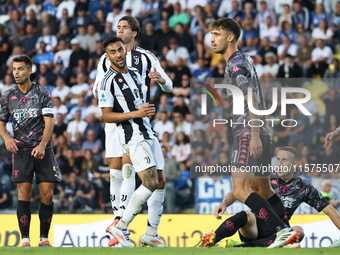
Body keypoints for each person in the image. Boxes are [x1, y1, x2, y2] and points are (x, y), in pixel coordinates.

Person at [208, 18, 297, 248]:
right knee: (263, 189)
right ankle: (287, 231)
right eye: (211, 34)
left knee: (240, 190)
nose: (211, 38)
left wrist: (254, 134)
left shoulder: (236, 64)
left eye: (216, 34)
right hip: (259, 130)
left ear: (230, 37)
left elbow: (253, 99)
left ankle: (280, 232)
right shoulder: (243, 58)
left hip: (249, 131)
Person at [93, 16, 172, 247]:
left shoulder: (138, 73)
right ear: (107, 56)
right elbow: (106, 115)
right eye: (113, 52)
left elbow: (148, 98)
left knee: (160, 181)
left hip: (148, 132)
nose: (118, 54)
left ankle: (151, 234)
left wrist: (146, 110)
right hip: (131, 135)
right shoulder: (107, 81)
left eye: (120, 50)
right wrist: (136, 114)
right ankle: (120, 225)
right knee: (146, 181)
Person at [201, 146, 340, 248]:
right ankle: (211, 240)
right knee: (245, 214)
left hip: (279, 230)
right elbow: (238, 190)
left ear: (295, 164)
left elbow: (329, 210)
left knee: (298, 231)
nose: (279, 163)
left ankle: (241, 246)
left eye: (284, 160)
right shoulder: (265, 177)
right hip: (255, 226)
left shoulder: (303, 187)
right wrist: (224, 203)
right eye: (278, 159)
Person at [0, 55, 59, 247]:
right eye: (14, 69)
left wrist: (42, 144)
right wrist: (7, 138)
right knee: (23, 193)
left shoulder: (42, 93)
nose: (16, 72)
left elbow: (50, 122)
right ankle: (25, 240)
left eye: (20, 69)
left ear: (29, 71)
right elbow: (1, 122)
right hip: (21, 150)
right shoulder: (7, 95)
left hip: (43, 148)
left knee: (47, 194)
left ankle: (44, 238)